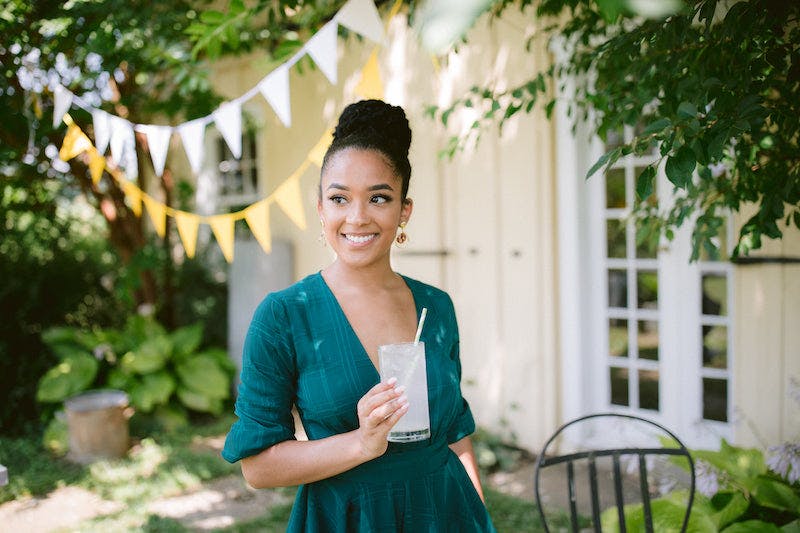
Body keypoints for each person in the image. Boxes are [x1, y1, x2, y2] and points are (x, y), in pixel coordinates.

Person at [222, 99, 496, 532]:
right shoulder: (284, 316)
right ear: (320, 209)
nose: (357, 217)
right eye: (339, 198)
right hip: (347, 517)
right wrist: (362, 443)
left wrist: (478, 518)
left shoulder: (436, 307)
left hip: (445, 512)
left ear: (404, 210)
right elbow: (258, 468)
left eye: (379, 198)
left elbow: (456, 433)